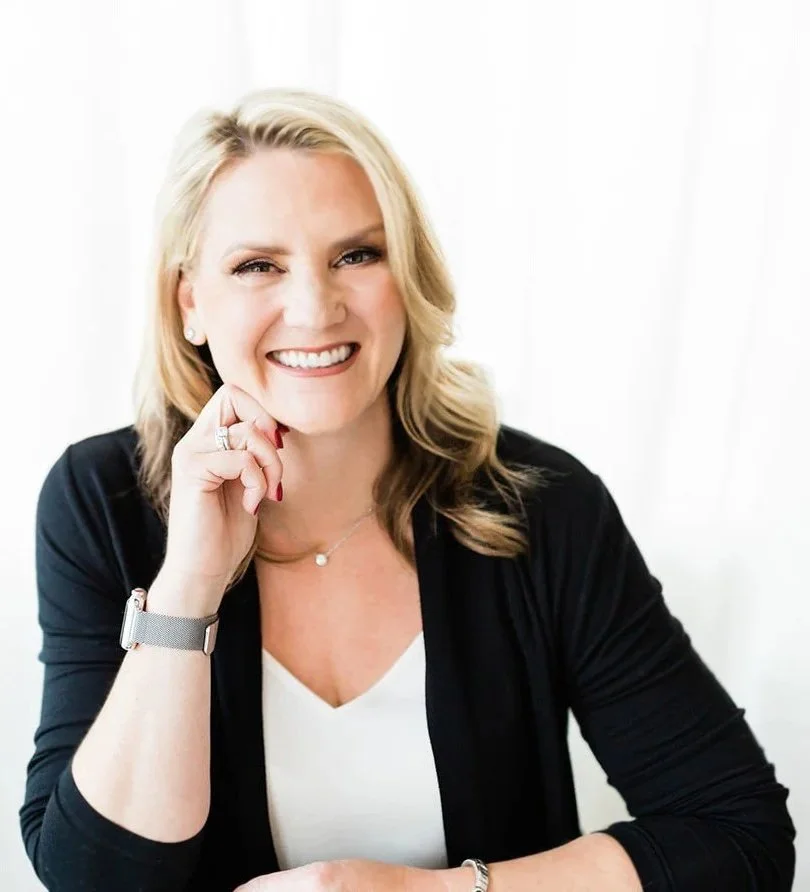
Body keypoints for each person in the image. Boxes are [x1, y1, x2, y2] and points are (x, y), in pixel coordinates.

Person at [19, 87, 794, 892]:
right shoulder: (100, 501)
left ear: (408, 274)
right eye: (258, 266)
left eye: (357, 255)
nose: (314, 308)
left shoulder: (541, 505)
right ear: (190, 302)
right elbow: (92, 881)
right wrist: (187, 588)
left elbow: (738, 838)